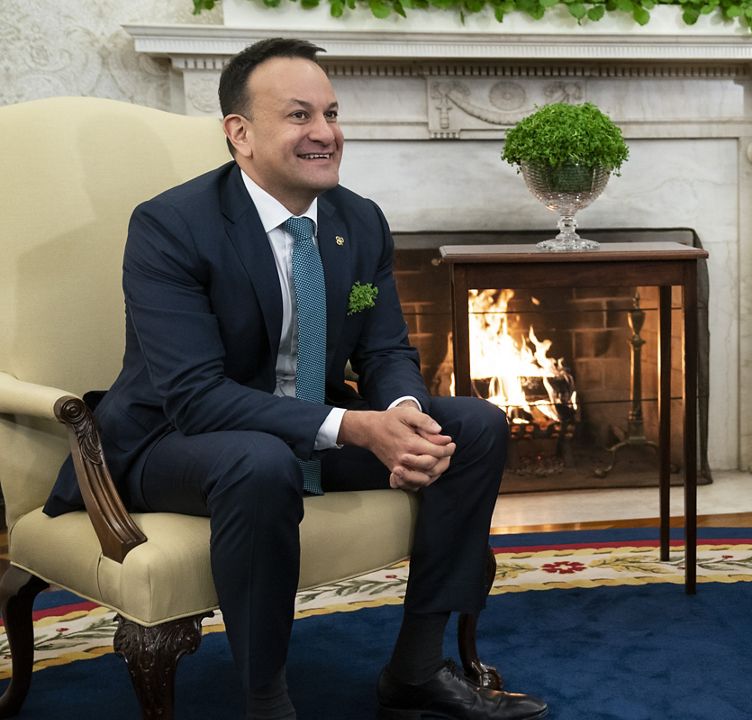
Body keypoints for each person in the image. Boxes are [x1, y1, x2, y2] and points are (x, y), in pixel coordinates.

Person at [42, 37, 548, 720]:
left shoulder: (358, 220)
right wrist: (356, 427)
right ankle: (266, 701)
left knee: (474, 427)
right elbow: (195, 395)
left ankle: (417, 669)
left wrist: (402, 412)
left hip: (303, 429)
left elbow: (384, 347)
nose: (326, 133)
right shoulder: (171, 226)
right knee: (258, 461)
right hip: (173, 440)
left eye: (332, 114)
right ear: (240, 134)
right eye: (301, 116)